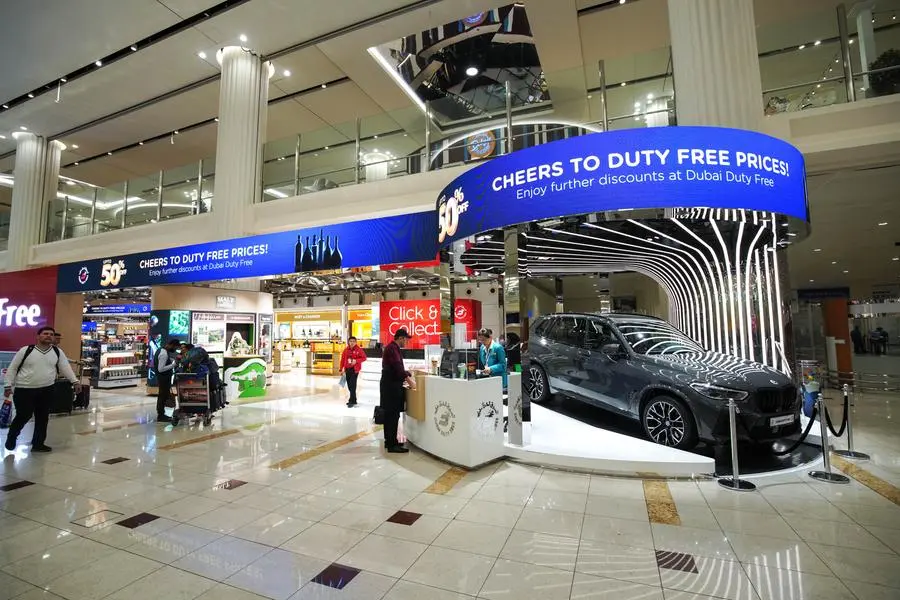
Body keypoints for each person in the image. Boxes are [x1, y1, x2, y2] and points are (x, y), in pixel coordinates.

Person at [4, 327, 81, 453]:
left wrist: (75, 381)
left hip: (47, 389)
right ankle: (12, 437)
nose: (49, 336)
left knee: (42, 417)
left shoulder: (57, 351)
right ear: (38, 336)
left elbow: (65, 367)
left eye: (51, 334)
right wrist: (7, 385)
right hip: (24, 389)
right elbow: (12, 368)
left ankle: (38, 444)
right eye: (45, 334)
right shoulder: (26, 350)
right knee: (24, 415)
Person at [380, 328, 414, 453]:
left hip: (389, 385)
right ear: (401, 338)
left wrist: (406, 373)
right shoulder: (393, 349)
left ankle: (390, 441)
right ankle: (391, 445)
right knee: (392, 415)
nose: (406, 342)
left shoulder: (392, 347)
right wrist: (410, 380)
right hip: (391, 387)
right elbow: (398, 369)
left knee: (391, 415)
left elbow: (397, 368)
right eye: (406, 340)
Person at [154, 339, 180, 423]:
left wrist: (171, 360)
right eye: (175, 348)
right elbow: (161, 369)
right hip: (163, 379)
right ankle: (161, 415)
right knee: (162, 396)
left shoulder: (161, 350)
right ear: (171, 345)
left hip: (162, 378)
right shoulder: (164, 354)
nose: (175, 350)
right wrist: (173, 365)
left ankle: (161, 414)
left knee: (162, 395)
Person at [340, 336, 367, 408]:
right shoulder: (346, 350)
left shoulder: (359, 350)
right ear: (348, 342)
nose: (352, 343)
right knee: (349, 385)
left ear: (356, 342)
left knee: (352, 385)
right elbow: (342, 359)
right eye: (350, 341)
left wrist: (356, 361)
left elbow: (364, 358)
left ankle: (351, 401)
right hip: (347, 369)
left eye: (353, 341)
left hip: (355, 370)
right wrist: (341, 369)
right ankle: (354, 399)